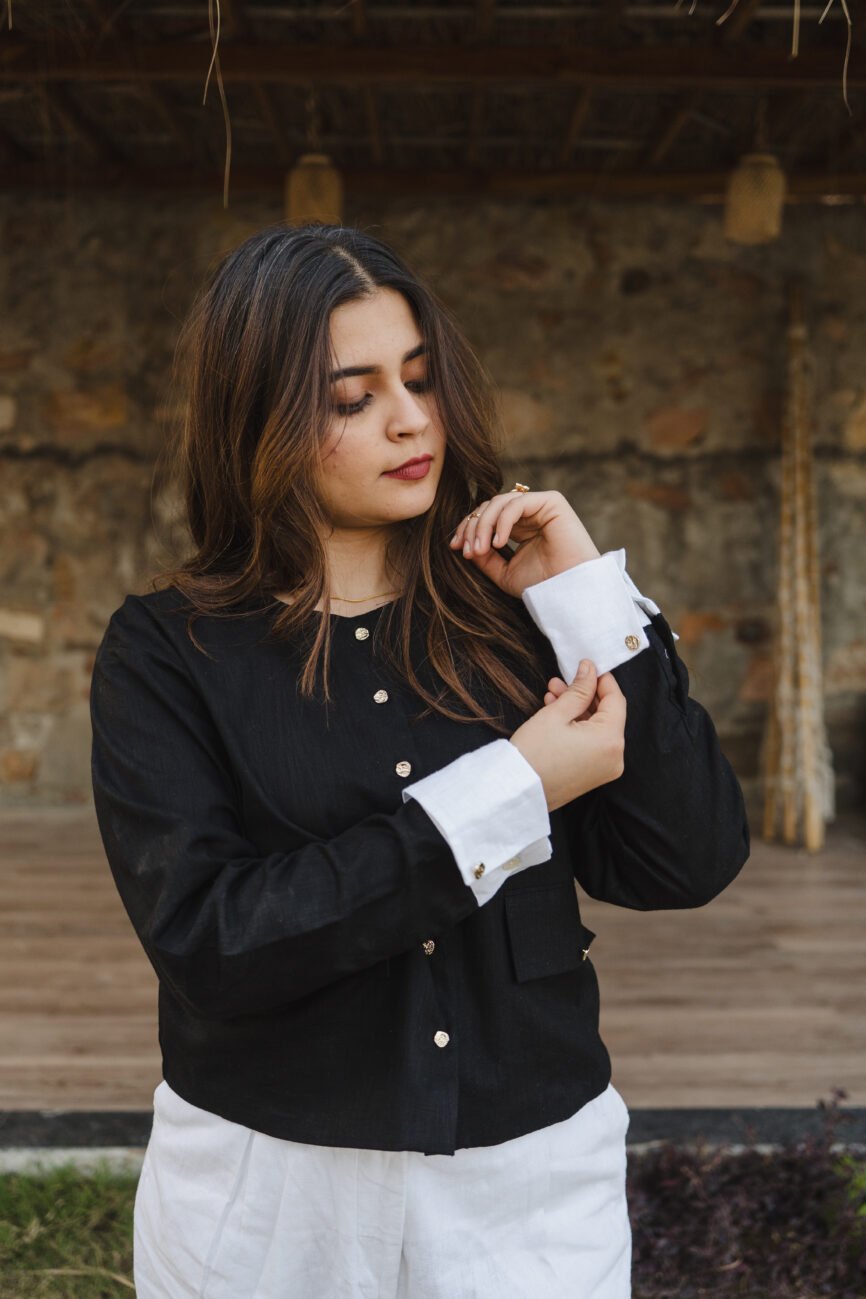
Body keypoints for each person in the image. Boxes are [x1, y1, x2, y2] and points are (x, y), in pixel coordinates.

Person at [89, 222, 750, 1299]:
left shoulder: (518, 619)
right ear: (257, 422)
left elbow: (687, 858)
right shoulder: (168, 652)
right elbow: (214, 942)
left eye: (421, 377)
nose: (411, 419)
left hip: (528, 1195)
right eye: (352, 399)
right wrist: (513, 790)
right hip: (269, 1200)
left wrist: (584, 596)